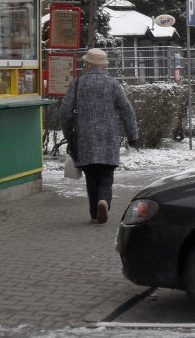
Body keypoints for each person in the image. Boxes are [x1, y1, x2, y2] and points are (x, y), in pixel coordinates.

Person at [58, 48, 139, 224]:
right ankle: (104, 201)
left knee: (91, 176)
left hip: (84, 138)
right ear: (103, 65)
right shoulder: (112, 84)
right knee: (106, 175)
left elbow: (65, 112)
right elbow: (127, 110)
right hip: (109, 138)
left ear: (87, 64)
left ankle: (95, 211)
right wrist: (133, 135)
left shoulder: (77, 84)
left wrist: (68, 134)